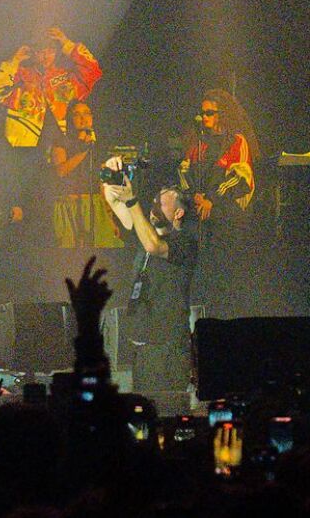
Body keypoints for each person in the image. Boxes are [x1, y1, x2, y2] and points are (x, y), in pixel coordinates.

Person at [102, 160, 197, 394]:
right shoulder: (146, 233)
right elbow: (120, 208)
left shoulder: (185, 242)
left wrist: (133, 201)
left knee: (169, 409)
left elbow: (154, 246)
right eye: (154, 201)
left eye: (161, 203)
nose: (153, 206)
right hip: (144, 346)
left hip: (170, 347)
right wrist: (111, 180)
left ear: (178, 212)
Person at [178, 88, 260, 316]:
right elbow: (185, 174)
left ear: (221, 114)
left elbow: (241, 179)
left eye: (210, 112)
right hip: (203, 220)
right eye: (203, 112)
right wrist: (194, 195)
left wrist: (211, 201)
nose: (204, 117)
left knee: (228, 276)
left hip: (228, 220)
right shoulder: (199, 145)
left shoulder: (236, 141)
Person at [0, 26, 102, 148]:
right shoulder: (20, 73)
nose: (46, 56)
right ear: (32, 52)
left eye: (51, 51)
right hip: (22, 150)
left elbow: (93, 71)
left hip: (62, 148)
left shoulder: (65, 77)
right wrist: (14, 60)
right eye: (41, 51)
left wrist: (66, 43)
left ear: (57, 52)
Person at [49, 101, 123, 250]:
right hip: (69, 206)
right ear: (69, 119)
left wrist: (109, 217)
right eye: (77, 114)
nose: (83, 118)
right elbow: (60, 171)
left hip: (94, 205)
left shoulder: (96, 145)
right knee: (71, 254)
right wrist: (82, 151)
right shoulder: (62, 143)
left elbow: (103, 182)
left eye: (87, 113)